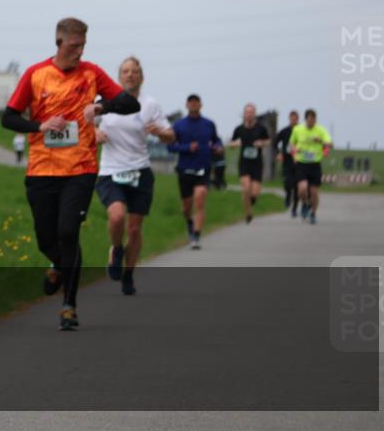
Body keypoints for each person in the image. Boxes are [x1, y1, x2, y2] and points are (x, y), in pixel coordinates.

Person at [1, 17, 139, 330]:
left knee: (68, 232)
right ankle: (59, 265)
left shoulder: (92, 73)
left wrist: (101, 107)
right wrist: (40, 125)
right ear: (59, 42)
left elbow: (130, 104)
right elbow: (8, 118)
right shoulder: (36, 74)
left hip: (81, 167)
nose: (79, 52)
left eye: (83, 46)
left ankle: (69, 306)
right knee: (45, 238)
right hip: (41, 168)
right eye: (74, 45)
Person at [94, 57, 174, 296]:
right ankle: (117, 249)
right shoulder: (105, 101)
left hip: (140, 170)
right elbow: (82, 121)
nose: (130, 75)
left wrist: (160, 132)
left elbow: (170, 135)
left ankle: (128, 274)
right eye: (126, 71)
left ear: (142, 77)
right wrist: (94, 130)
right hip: (110, 170)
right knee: (117, 217)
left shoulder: (150, 104)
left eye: (135, 72)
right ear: (118, 77)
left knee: (135, 229)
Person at [168, 94, 222, 250]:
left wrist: (217, 147)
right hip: (185, 169)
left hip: (203, 168)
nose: (193, 105)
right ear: (186, 105)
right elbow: (170, 147)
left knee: (200, 198)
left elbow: (216, 140)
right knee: (186, 207)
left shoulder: (208, 124)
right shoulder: (179, 125)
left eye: (196, 102)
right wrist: (186, 148)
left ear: (200, 105)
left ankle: (197, 236)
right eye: (190, 103)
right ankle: (189, 223)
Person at [228, 103, 271, 224]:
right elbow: (231, 143)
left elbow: (268, 141)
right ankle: (248, 213)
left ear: (255, 114)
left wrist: (262, 143)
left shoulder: (261, 128)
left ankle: (252, 201)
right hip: (244, 163)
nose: (249, 114)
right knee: (246, 188)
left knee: (255, 192)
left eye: (252, 112)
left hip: (257, 163)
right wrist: (236, 144)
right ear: (244, 114)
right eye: (247, 112)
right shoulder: (239, 129)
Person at [290, 108, 333, 225]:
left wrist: (321, 142)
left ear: (315, 120)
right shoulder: (298, 129)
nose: (311, 123)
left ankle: (313, 213)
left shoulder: (321, 130)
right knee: (302, 189)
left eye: (313, 121)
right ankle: (304, 204)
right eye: (309, 120)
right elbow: (291, 144)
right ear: (305, 120)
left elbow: (330, 144)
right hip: (302, 163)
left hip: (315, 164)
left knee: (314, 192)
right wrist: (294, 150)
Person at [275, 110, 301, 216]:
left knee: (297, 186)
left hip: (299, 161)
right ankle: (287, 196)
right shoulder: (285, 131)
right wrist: (278, 153)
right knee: (287, 183)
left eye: (295, 118)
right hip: (287, 161)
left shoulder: (301, 131)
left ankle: (294, 209)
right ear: (289, 119)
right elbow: (275, 142)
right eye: (292, 118)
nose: (294, 120)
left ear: (298, 119)